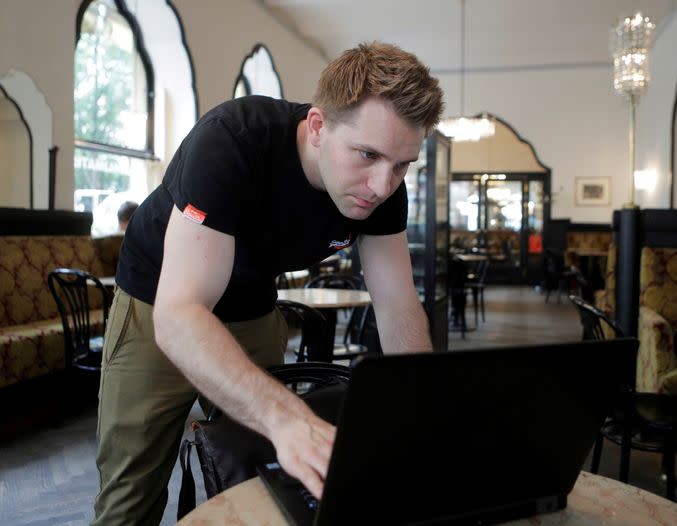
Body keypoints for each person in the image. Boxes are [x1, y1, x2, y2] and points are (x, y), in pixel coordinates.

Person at [92, 42, 444, 525]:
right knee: (130, 495)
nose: (383, 185)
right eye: (367, 155)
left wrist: (422, 405)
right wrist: (287, 418)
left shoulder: (384, 188)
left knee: (264, 479)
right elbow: (179, 317)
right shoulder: (232, 139)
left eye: (402, 164)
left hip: (252, 307)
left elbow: (399, 305)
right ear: (319, 127)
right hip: (159, 303)